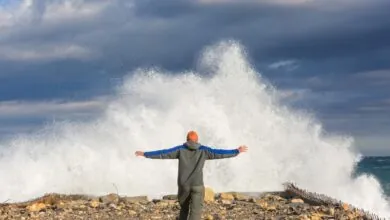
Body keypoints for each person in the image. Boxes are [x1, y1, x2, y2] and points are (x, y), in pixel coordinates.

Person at [135, 130, 248, 220]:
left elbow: (163, 153)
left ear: (187, 140)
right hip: (197, 186)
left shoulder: (180, 149)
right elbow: (220, 153)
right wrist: (236, 151)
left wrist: (145, 154)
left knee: (184, 209)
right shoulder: (204, 150)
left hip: (183, 186)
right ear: (197, 140)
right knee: (196, 212)